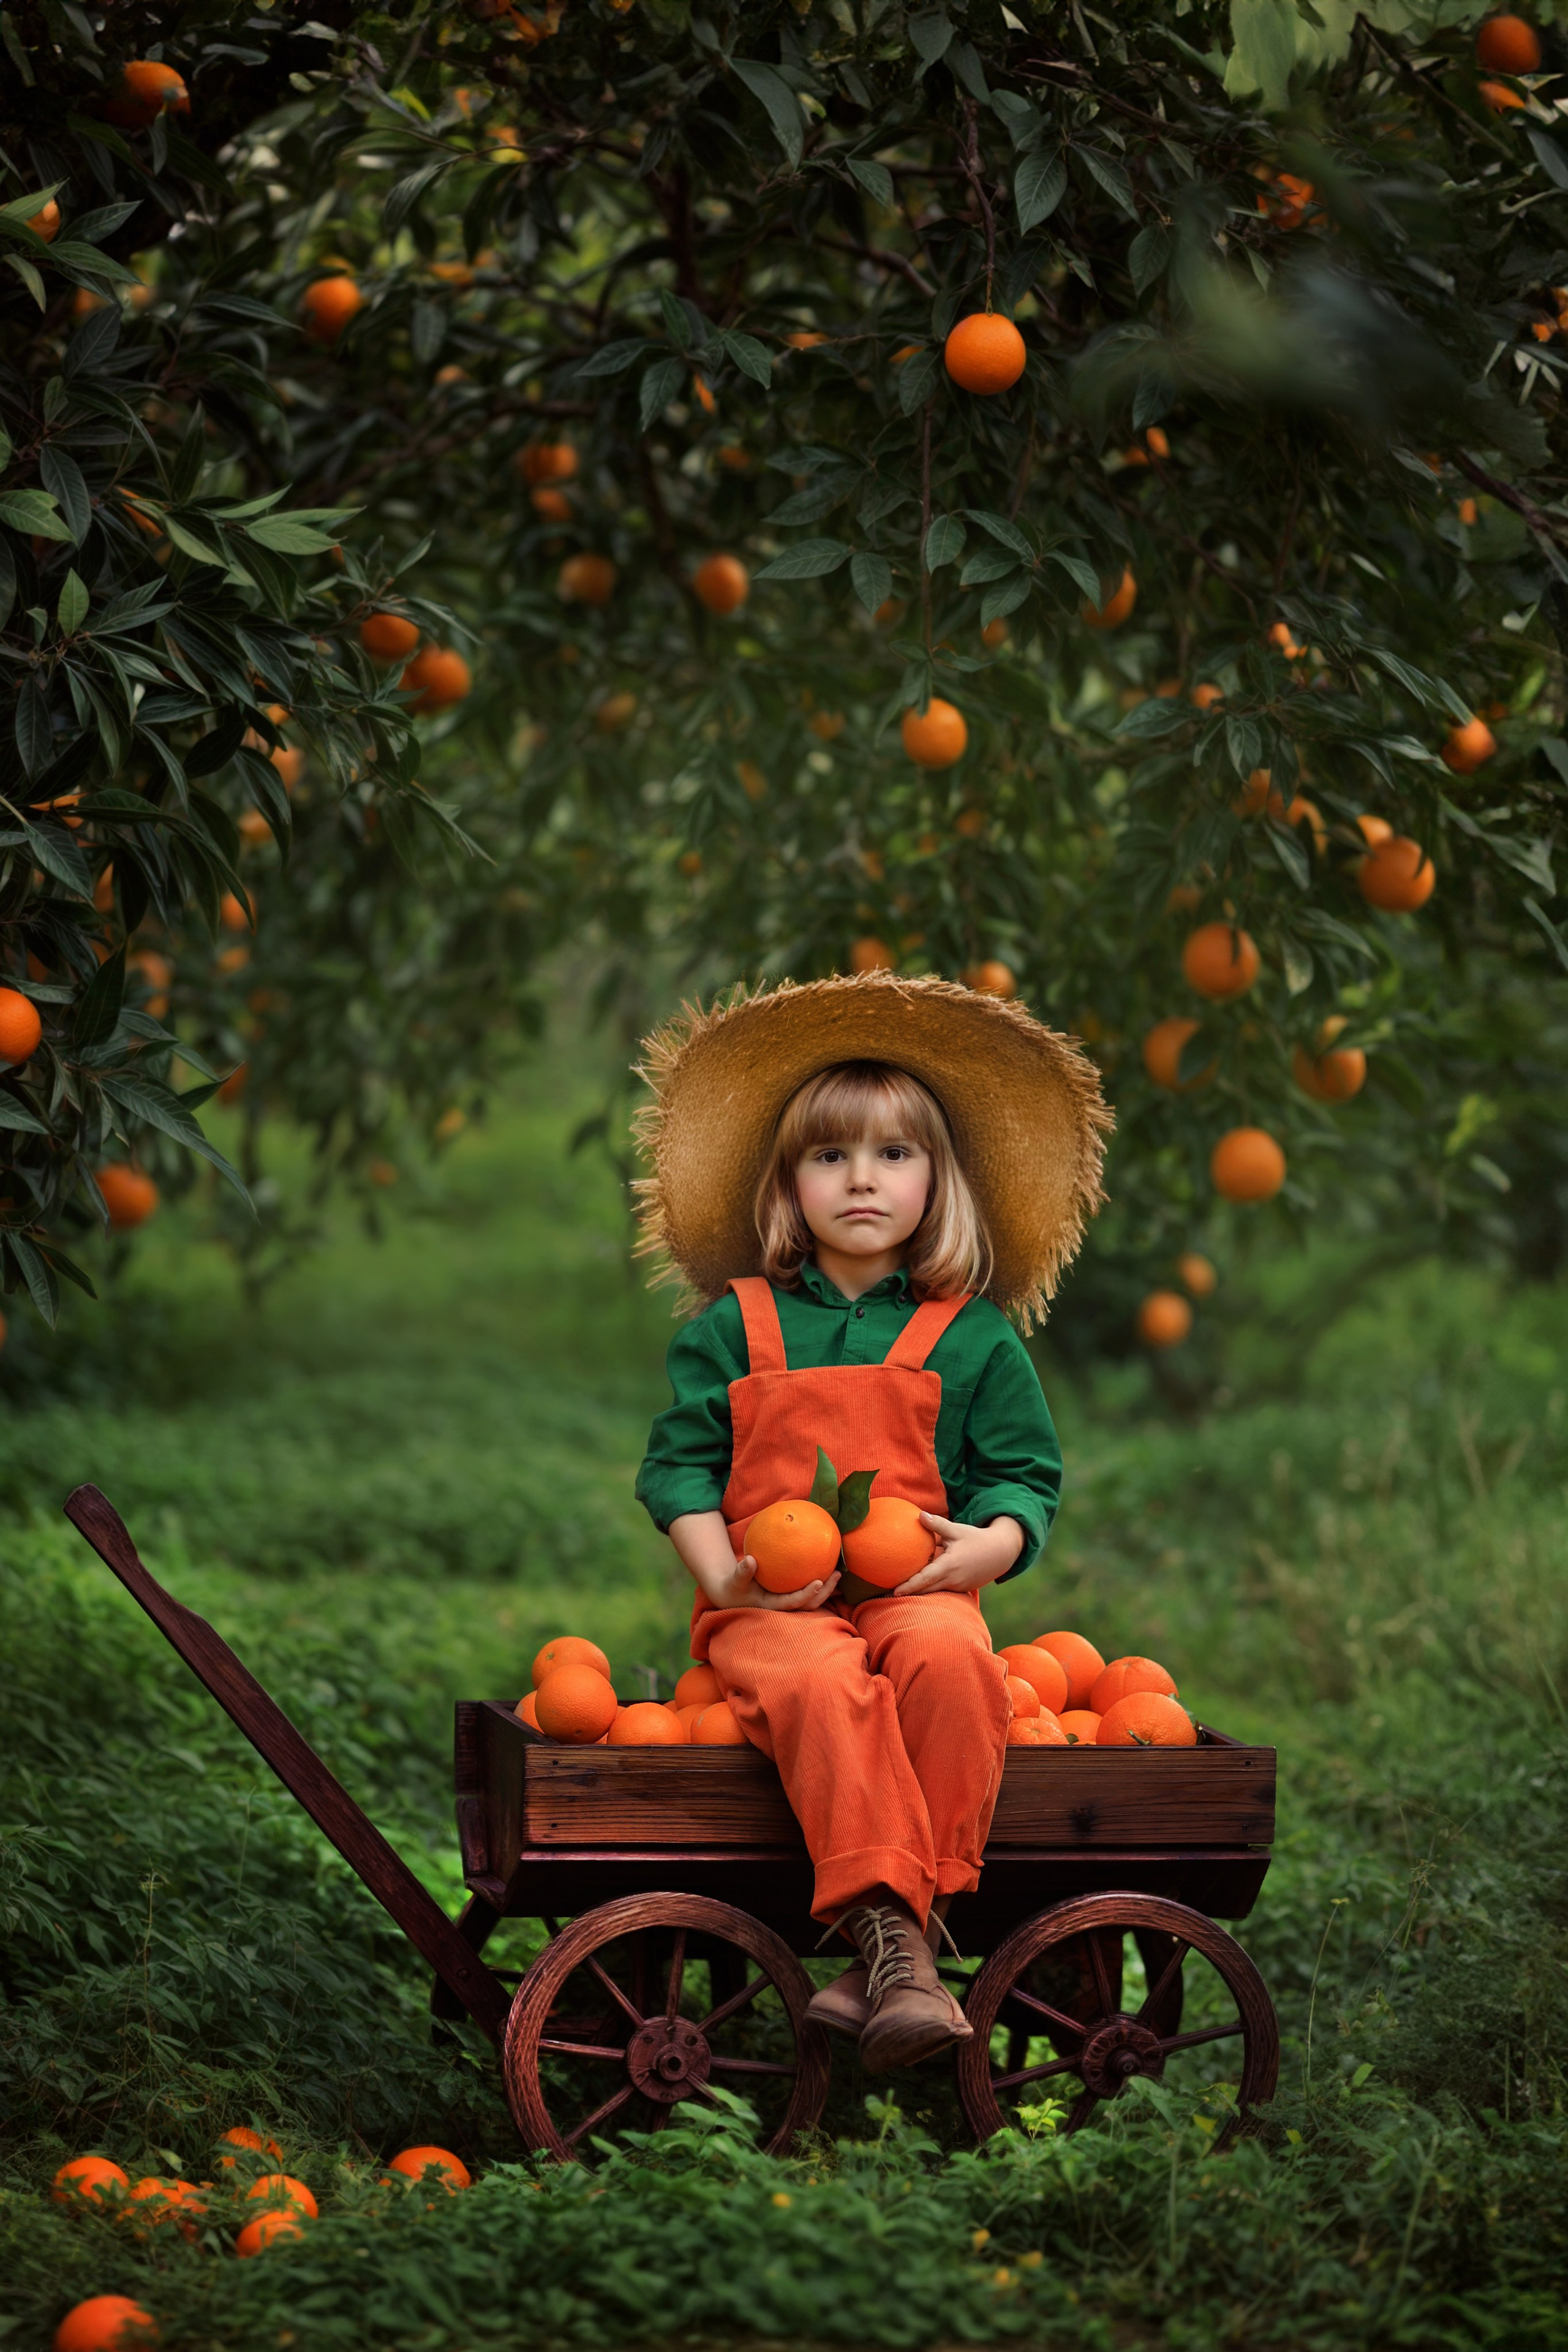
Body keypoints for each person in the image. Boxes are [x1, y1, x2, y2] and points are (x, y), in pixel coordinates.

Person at [634, 973, 1109, 2070]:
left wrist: (988, 1547)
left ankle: (893, 1946)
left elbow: (1022, 1477)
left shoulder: (974, 1338)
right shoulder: (737, 1325)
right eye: (831, 1156)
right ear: (788, 1183)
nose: (862, 1180)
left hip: (916, 1591)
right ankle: (904, 1943)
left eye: (894, 1155)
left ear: (937, 1182)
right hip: (775, 1607)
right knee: (816, 1683)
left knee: (953, 1665)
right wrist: (726, 1580)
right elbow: (681, 1470)